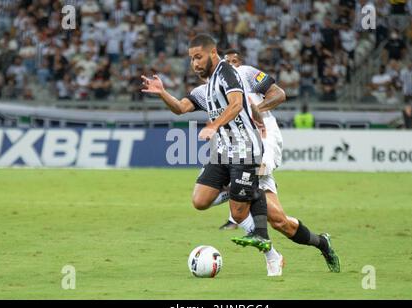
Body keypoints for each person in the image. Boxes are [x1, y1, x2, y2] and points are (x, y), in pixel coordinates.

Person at [141, 34, 275, 275]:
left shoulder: (227, 73)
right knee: (200, 201)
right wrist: (162, 93)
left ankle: (273, 257)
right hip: (224, 151)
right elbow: (181, 108)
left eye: (198, 57)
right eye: (192, 59)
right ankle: (238, 189)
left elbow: (236, 104)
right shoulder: (206, 88)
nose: (195, 63)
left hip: (245, 148)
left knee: (237, 214)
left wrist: (213, 126)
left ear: (213, 53)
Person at [211, 49, 340, 274]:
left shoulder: (247, 73)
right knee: (281, 222)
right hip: (242, 147)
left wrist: (256, 110)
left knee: (246, 175)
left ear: (239, 62)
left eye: (234, 62)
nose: (230, 66)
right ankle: (322, 243)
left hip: (265, 138)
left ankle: (231, 193)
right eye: (226, 63)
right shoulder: (218, 89)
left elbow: (279, 94)